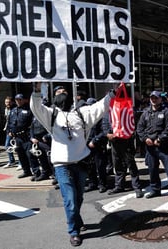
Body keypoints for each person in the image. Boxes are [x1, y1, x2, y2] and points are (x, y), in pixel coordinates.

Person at [30, 82, 115, 247]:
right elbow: (36, 107)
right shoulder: (51, 114)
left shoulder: (81, 113)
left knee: (78, 197)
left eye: (64, 91)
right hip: (62, 165)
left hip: (81, 163)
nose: (61, 94)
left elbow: (100, 107)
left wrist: (112, 93)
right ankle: (74, 232)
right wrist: (37, 90)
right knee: (70, 199)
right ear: (54, 97)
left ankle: (76, 218)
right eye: (58, 92)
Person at [137, 90, 168, 203]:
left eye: (156, 98)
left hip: (164, 146)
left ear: (160, 99)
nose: (153, 99)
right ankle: (155, 190)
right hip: (150, 147)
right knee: (152, 169)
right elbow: (140, 129)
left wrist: (160, 139)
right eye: (152, 98)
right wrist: (145, 138)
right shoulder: (146, 112)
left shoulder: (167, 112)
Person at [105, 110, 144, 198]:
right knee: (117, 164)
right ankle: (119, 186)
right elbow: (105, 124)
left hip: (126, 142)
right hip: (114, 143)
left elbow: (132, 126)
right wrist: (108, 134)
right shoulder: (109, 112)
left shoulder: (127, 111)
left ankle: (137, 187)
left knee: (131, 165)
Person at [7, 94, 34, 179]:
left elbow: (32, 124)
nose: (18, 101)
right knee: (21, 156)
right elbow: (10, 122)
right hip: (17, 137)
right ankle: (26, 171)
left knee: (30, 155)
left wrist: (32, 135)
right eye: (16, 100)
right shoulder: (13, 110)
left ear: (24, 100)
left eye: (20, 99)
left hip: (26, 136)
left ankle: (36, 172)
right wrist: (9, 131)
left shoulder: (29, 110)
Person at [28, 116, 52, 181]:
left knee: (50, 159)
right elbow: (31, 128)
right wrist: (32, 138)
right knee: (41, 159)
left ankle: (55, 175)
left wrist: (47, 136)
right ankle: (45, 173)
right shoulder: (35, 116)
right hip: (38, 141)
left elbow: (52, 127)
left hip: (46, 141)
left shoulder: (47, 114)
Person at [2, 96, 17, 168]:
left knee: (17, 147)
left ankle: (21, 163)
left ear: (12, 102)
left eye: (8, 102)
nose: (7, 104)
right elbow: (7, 120)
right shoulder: (6, 109)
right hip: (8, 130)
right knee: (7, 146)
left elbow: (14, 121)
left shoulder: (14, 109)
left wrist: (12, 130)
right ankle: (12, 161)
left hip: (14, 130)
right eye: (6, 102)